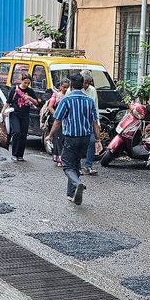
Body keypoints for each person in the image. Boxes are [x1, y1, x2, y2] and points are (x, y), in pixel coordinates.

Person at [47, 72, 101, 205]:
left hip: (71, 137)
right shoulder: (89, 101)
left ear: (71, 85)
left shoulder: (66, 100)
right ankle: (72, 194)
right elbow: (95, 122)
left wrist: (50, 135)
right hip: (85, 138)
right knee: (76, 164)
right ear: (82, 85)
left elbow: (58, 120)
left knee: (67, 164)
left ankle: (77, 183)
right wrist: (98, 140)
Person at [6, 72, 38, 162]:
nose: (26, 85)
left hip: (25, 115)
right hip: (15, 114)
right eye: (25, 83)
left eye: (28, 83)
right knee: (17, 132)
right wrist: (3, 112)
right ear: (21, 81)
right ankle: (14, 154)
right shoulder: (15, 89)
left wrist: (29, 98)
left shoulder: (30, 91)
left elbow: (36, 102)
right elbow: (8, 102)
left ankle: (20, 155)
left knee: (23, 135)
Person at [45, 78, 70, 165]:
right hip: (57, 120)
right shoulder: (56, 95)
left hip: (67, 120)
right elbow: (50, 107)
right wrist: (57, 115)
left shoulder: (69, 96)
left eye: (67, 87)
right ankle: (59, 160)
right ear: (60, 87)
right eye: (64, 87)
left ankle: (64, 159)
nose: (65, 89)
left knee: (65, 140)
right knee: (58, 139)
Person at [81, 70, 99, 176]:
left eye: (88, 83)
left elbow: (95, 107)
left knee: (91, 142)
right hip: (78, 122)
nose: (86, 85)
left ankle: (88, 165)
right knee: (78, 144)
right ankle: (77, 166)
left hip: (90, 121)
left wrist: (97, 123)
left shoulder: (92, 90)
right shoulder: (73, 89)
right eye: (85, 82)